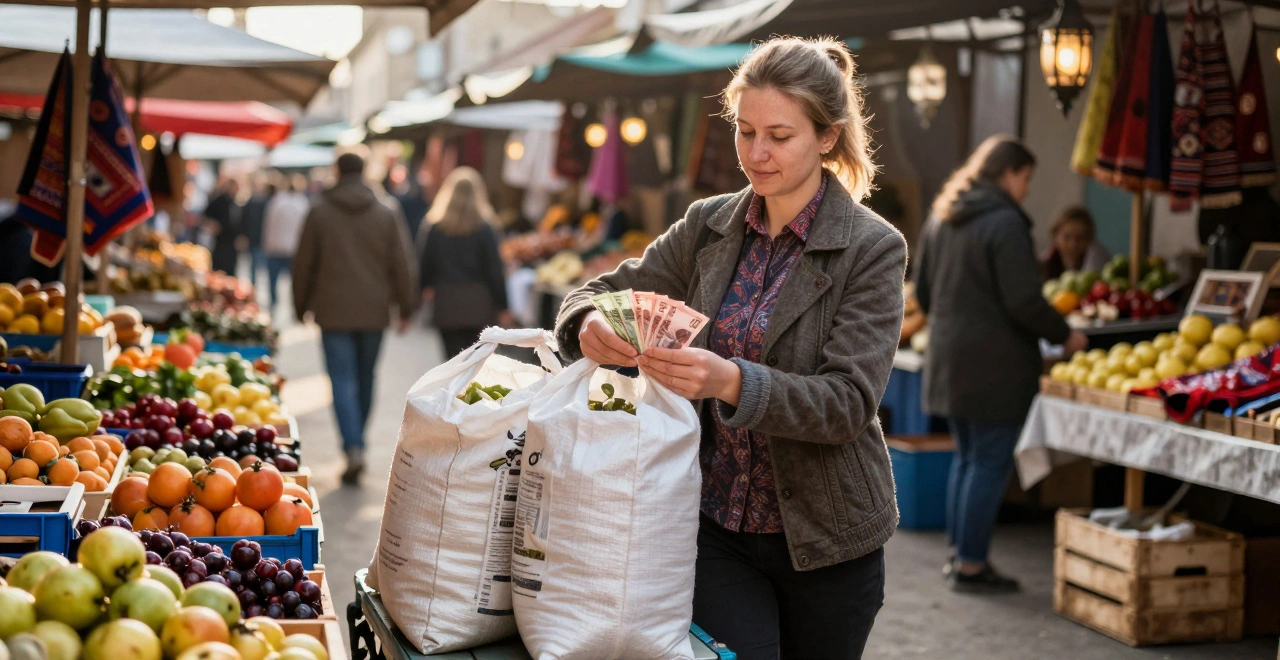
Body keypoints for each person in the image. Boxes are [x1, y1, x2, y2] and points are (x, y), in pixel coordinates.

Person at [555, 37, 902, 659]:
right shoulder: (708, 225)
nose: (757, 153)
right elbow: (600, 291)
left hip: (827, 540)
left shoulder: (872, 249)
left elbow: (849, 402)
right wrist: (586, 323)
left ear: (827, 138)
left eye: (779, 135)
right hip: (713, 526)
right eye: (745, 132)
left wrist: (730, 382)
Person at [914, 135, 1089, 594]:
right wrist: (1063, 334)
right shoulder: (1005, 222)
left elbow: (926, 294)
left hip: (949, 359)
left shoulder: (943, 214)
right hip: (995, 368)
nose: (1027, 189)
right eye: (1026, 178)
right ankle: (971, 565)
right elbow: (1024, 300)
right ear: (1007, 173)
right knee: (988, 462)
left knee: (969, 458)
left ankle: (961, 556)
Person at [292, 152, 418, 484]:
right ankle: (357, 442)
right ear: (365, 171)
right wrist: (405, 308)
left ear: (337, 172)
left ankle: (353, 446)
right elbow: (401, 263)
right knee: (365, 378)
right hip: (374, 311)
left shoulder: (319, 211)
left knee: (341, 380)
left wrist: (299, 305)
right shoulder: (386, 211)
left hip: (332, 310)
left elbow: (303, 262)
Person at [417, 167, 512, 358]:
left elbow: (424, 265)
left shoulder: (435, 228)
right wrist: (503, 305)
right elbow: (495, 269)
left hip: (446, 303)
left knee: (452, 362)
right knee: (477, 365)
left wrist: (420, 294)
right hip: (479, 304)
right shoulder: (486, 228)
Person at [261, 174, 311, 313]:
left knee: (273, 281)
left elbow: (268, 225)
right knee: (295, 282)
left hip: (276, 247)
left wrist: (267, 244)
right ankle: (294, 305)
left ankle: (274, 303)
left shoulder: (277, 201)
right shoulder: (302, 203)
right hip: (293, 248)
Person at [1040, 205, 1110, 281]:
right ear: (1055, 235)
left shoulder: (1099, 260)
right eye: (1067, 237)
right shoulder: (1047, 261)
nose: (1073, 244)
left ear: (1089, 239)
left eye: (1080, 237)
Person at [203, 176, 241, 276]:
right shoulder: (219, 200)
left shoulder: (234, 202)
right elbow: (206, 215)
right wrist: (212, 225)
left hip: (231, 243)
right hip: (220, 242)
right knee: (218, 269)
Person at [240, 176, 270, 290]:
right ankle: (253, 288)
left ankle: (256, 288)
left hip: (261, 238)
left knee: (259, 266)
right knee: (254, 266)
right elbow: (244, 220)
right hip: (254, 238)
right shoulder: (252, 202)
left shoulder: (265, 202)